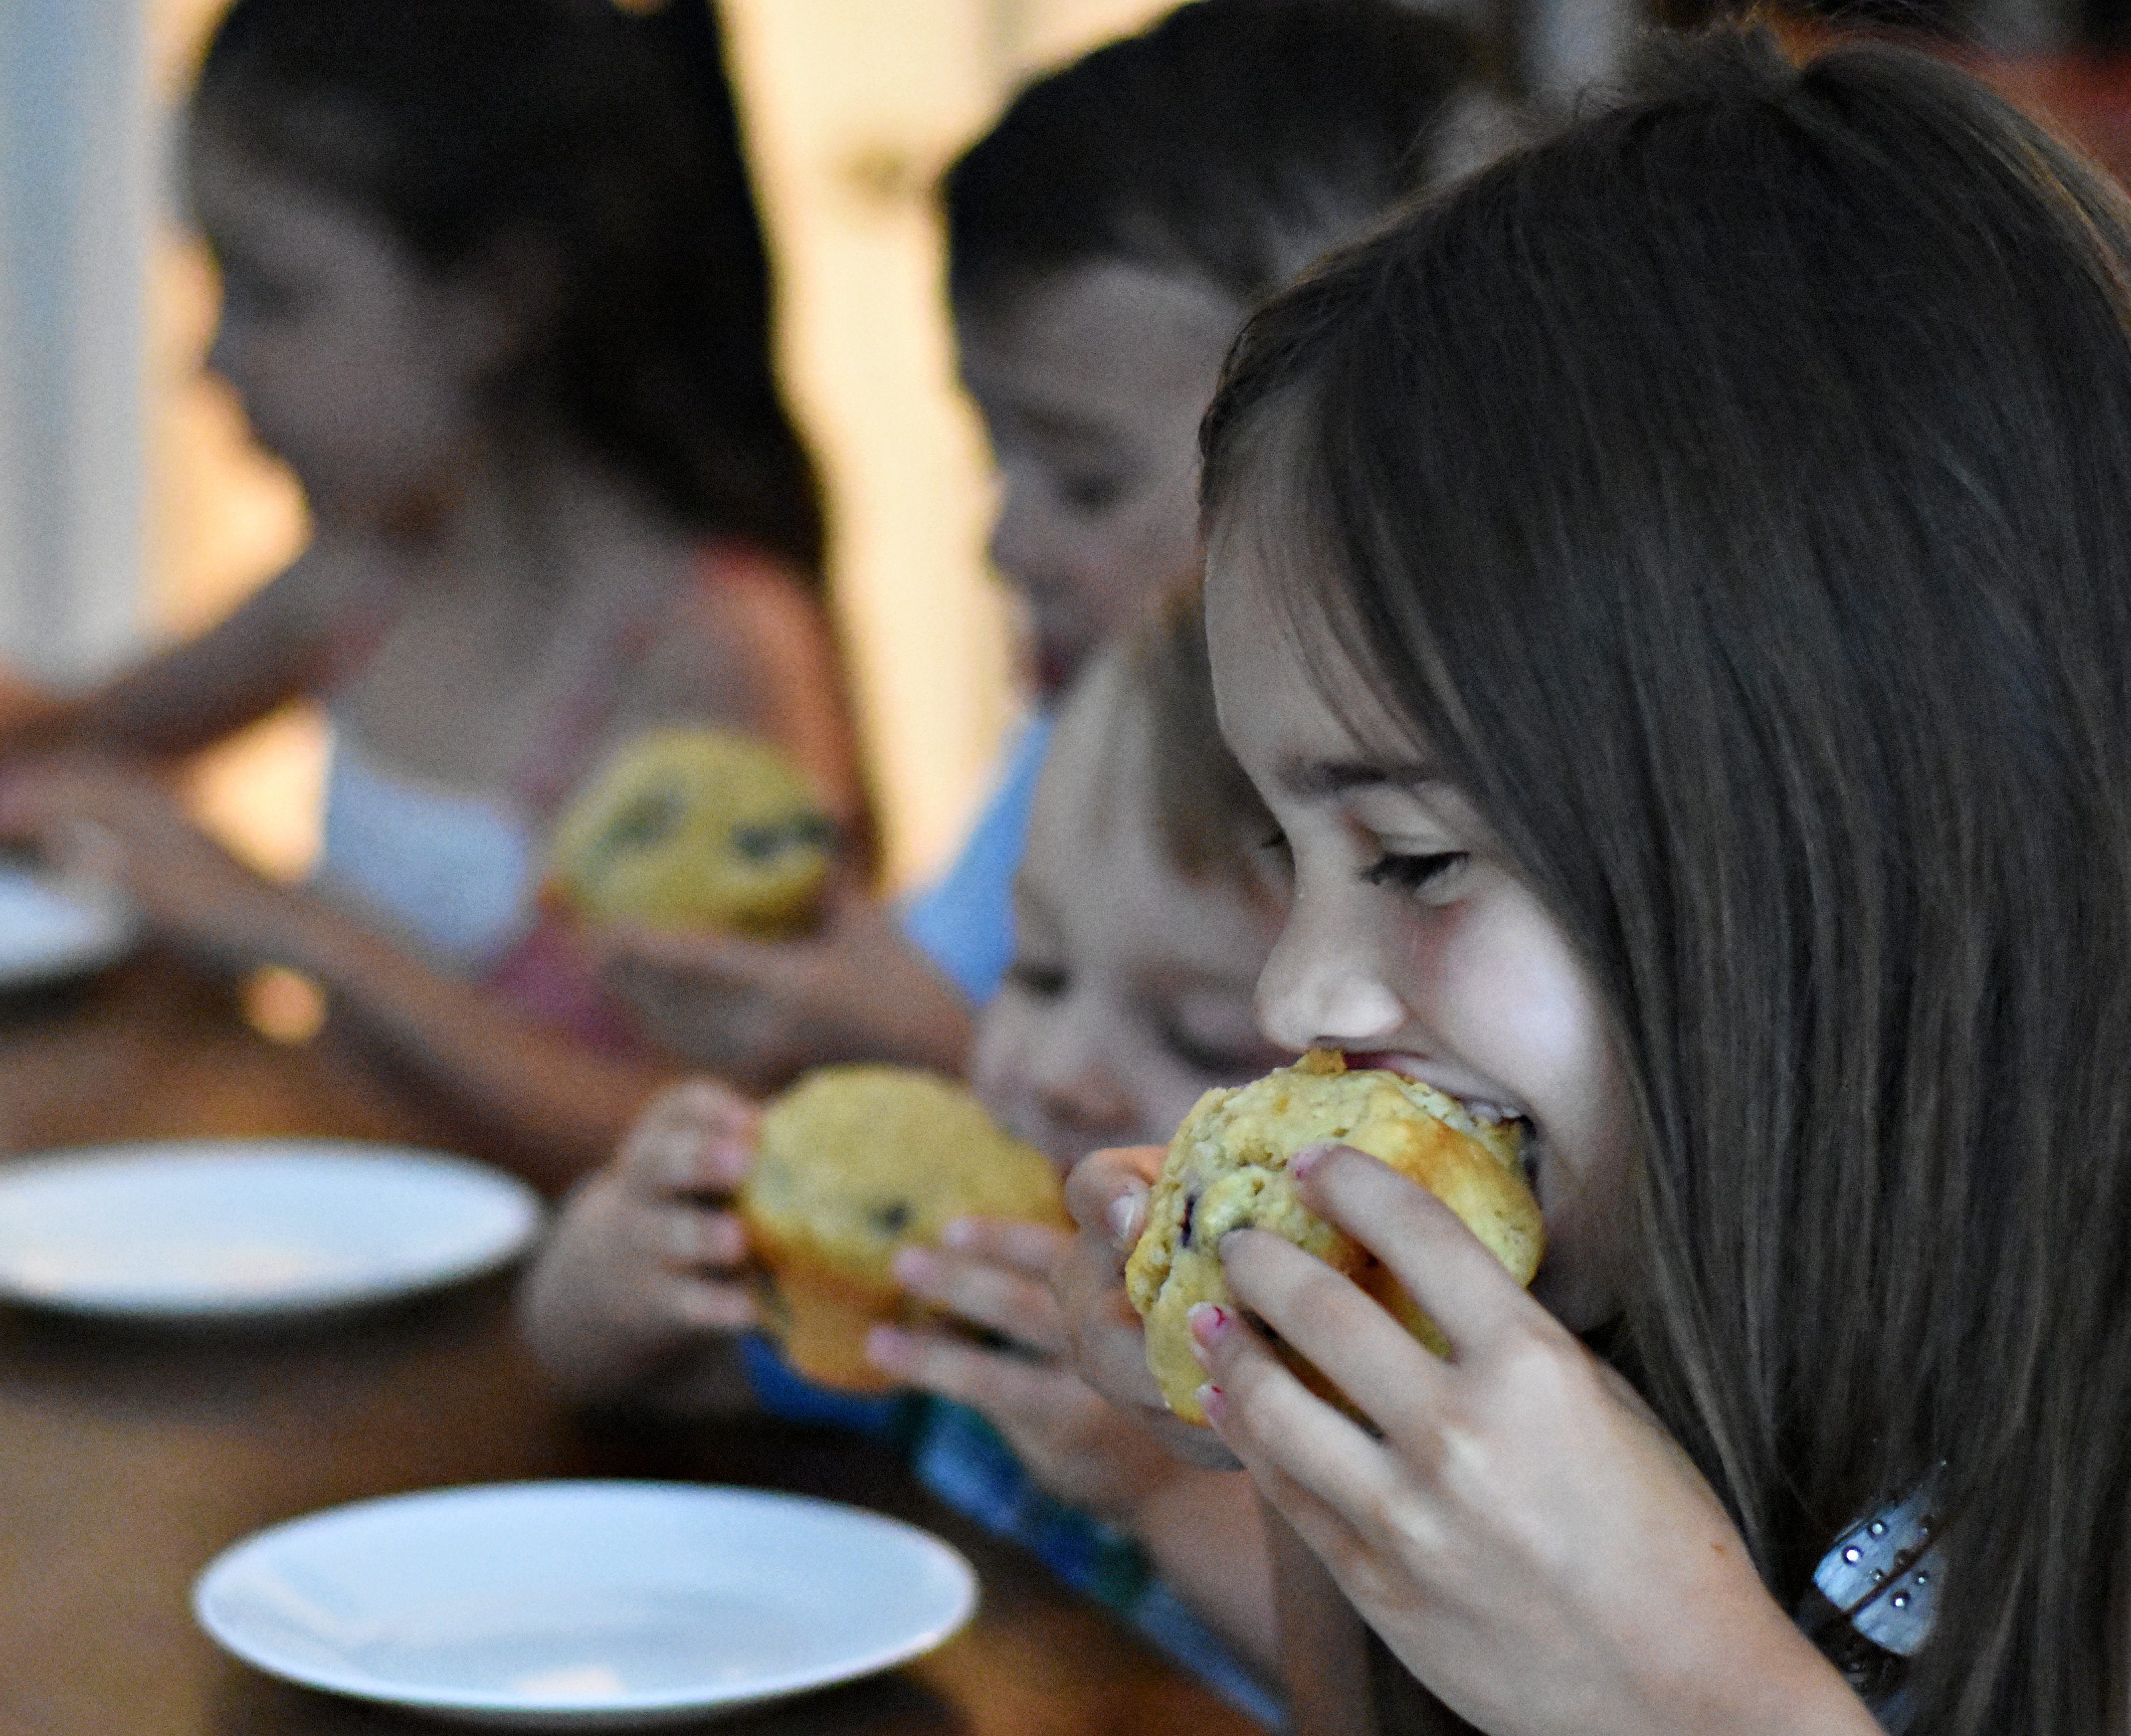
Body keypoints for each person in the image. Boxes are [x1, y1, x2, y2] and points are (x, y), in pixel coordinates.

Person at [1053, 28, 2131, 1736]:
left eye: (1419, 860)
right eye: (1292, 851)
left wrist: (1682, 1708)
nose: (1301, 993)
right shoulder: (1719, 1238)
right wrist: (1334, 1460)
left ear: (1858, 805)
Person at [0, 0, 865, 1189]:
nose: (211, 363)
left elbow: (750, 1141)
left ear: (496, 302)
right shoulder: (366, 581)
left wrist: (291, 925)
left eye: (274, 294)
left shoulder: (713, 644)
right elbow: (30, 741)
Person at [590, 0, 1511, 1091]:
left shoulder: (1453, 841)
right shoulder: (1070, 739)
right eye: (995, 455)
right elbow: (941, 972)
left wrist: (919, 1037)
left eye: (1089, 480)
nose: (1007, 544)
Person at [523, 596, 1293, 1713]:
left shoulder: (1339, 1370)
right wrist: (619, 1268)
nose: (1061, 1066)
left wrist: (1159, 1488)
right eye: (1036, 972)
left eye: (1198, 1037)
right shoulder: (972, 1283)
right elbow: (662, 1380)